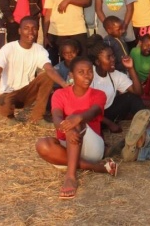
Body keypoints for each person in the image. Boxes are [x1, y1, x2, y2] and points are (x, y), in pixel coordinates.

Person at [34, 57, 118, 200]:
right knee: (42, 144)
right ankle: (95, 167)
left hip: (91, 148)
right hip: (68, 146)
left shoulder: (99, 94)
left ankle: (70, 177)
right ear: (71, 75)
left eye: (89, 72)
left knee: (75, 119)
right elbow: (56, 119)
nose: (87, 76)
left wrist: (76, 119)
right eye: (81, 72)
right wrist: (67, 127)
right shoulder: (60, 94)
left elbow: (93, 112)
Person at [0, 16, 68, 125]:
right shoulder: (8, 48)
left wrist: (64, 84)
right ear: (19, 30)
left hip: (27, 93)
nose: (30, 32)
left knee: (47, 76)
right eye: (26, 28)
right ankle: (10, 117)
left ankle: (38, 117)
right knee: (4, 103)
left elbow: (49, 69)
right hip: (8, 93)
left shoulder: (39, 49)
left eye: (34, 28)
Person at [90, 43, 146, 132]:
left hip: (108, 112)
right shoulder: (89, 74)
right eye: (109, 57)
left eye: (113, 56)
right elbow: (85, 106)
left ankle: (147, 126)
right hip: (92, 117)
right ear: (97, 62)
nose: (113, 59)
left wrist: (131, 68)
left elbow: (138, 92)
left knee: (131, 97)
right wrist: (110, 123)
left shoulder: (116, 74)